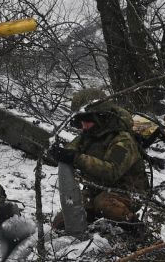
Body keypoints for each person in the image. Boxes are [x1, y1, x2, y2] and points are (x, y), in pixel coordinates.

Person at [48, 88, 148, 229]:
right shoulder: (89, 134)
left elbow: (111, 171)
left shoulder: (123, 139)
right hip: (96, 190)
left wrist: (76, 158)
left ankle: (135, 228)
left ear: (100, 117)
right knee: (63, 221)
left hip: (129, 191)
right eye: (81, 121)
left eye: (88, 121)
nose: (84, 126)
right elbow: (70, 150)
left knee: (103, 204)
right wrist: (58, 152)